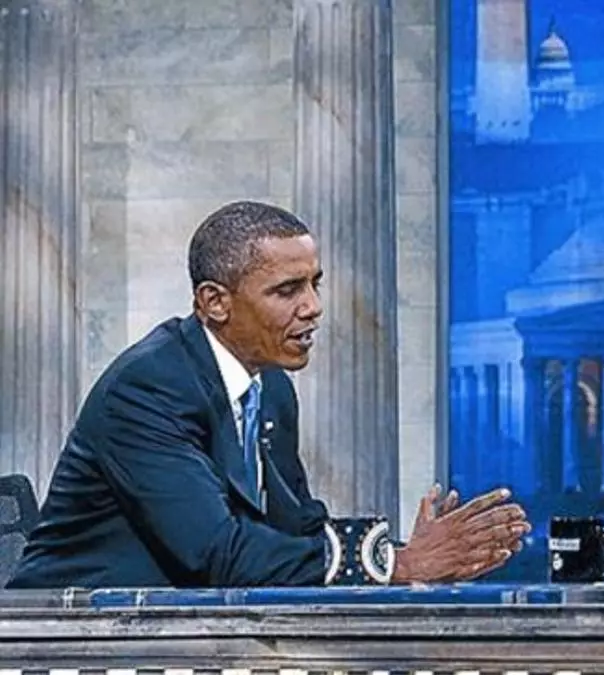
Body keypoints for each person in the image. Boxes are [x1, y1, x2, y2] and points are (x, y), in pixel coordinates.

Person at [7, 201, 530, 589]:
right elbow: (218, 552)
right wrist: (396, 565)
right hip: (71, 640)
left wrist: (402, 553)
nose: (313, 307)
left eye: (315, 284)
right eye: (287, 290)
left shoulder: (270, 386)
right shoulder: (147, 389)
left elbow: (296, 527)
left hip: (187, 636)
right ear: (215, 302)